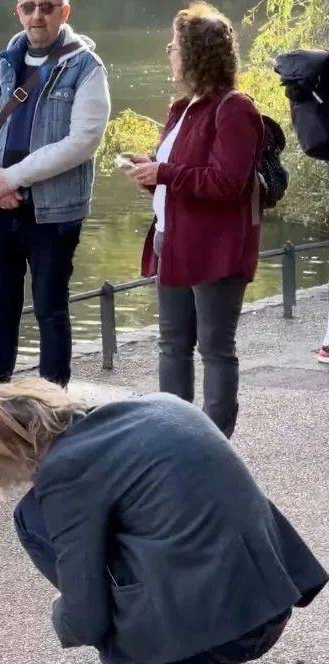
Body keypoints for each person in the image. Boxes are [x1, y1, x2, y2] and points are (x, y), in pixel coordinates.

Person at [0, 378, 328, 664]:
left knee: (31, 516)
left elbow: (86, 617)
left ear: (12, 455)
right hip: (269, 611)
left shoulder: (65, 470)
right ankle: (186, 659)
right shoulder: (163, 405)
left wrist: (65, 615)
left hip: (219, 635)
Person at [126, 2, 264, 438]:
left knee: (215, 349)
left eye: (176, 44)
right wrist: (150, 172)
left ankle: (214, 444)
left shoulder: (235, 109)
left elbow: (227, 183)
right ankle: (175, 438)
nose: (169, 50)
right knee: (172, 346)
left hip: (215, 247)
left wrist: (165, 173)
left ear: (196, 53)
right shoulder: (183, 108)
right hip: (174, 239)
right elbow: (185, 178)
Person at [0, 0, 111, 388]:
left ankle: (54, 407)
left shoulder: (86, 68)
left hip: (54, 213)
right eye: (29, 7)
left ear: (65, 12)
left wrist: (13, 177)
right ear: (19, 13)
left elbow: (83, 142)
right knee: (0, 310)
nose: (37, 16)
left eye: (46, 7)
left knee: (51, 310)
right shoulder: (0, 65)